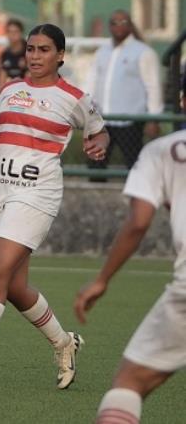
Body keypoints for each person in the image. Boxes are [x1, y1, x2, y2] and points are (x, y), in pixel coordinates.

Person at [0, 24, 110, 389]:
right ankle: (64, 342)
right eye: (30, 49)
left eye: (44, 49)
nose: (35, 56)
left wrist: (99, 144)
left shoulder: (73, 97)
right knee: (12, 286)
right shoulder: (9, 89)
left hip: (37, 193)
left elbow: (98, 130)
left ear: (61, 55)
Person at [74, 97, 186, 423]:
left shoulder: (162, 150)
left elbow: (138, 222)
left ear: (181, 100)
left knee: (129, 384)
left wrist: (101, 280)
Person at [84, 10, 163, 173]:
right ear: (109, 26)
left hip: (130, 121)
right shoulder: (102, 51)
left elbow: (153, 86)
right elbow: (91, 82)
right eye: (114, 23)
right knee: (95, 165)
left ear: (130, 25)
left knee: (134, 166)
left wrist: (154, 118)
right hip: (102, 120)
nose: (118, 26)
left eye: (123, 22)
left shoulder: (143, 52)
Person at [0, 18, 27, 87]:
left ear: (21, 33)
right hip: (10, 88)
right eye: (9, 32)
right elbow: (2, 74)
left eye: (15, 32)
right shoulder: (5, 54)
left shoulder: (29, 51)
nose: (12, 35)